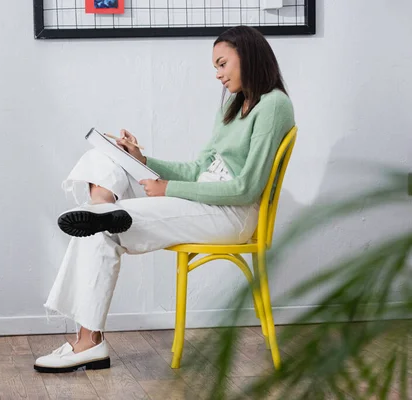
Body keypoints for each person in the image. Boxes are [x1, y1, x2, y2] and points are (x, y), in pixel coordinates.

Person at [34, 25, 295, 373]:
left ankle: (88, 342)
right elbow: (199, 167)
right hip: (199, 201)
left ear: (247, 56)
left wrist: (168, 188)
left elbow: (246, 188)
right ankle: (100, 210)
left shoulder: (274, 105)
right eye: (215, 67)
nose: (217, 75)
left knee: (103, 228)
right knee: (107, 159)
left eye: (222, 64)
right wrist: (142, 160)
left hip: (230, 214)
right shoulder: (233, 106)